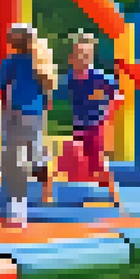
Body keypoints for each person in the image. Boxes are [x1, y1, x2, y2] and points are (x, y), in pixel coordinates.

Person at [0, 24, 56, 226]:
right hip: (35, 113)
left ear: (15, 41)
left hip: (16, 111)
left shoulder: (13, 61)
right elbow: (47, 91)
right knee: (34, 150)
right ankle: (46, 189)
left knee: (14, 154)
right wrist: (45, 105)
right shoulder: (41, 61)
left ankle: (16, 198)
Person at [56, 31, 122, 204]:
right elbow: (55, 89)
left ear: (91, 58)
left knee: (97, 161)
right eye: (79, 56)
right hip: (79, 124)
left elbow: (117, 93)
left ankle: (113, 195)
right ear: (71, 59)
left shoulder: (99, 77)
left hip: (95, 124)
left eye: (86, 56)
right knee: (78, 157)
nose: (82, 60)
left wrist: (108, 110)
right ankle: (80, 194)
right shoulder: (70, 78)